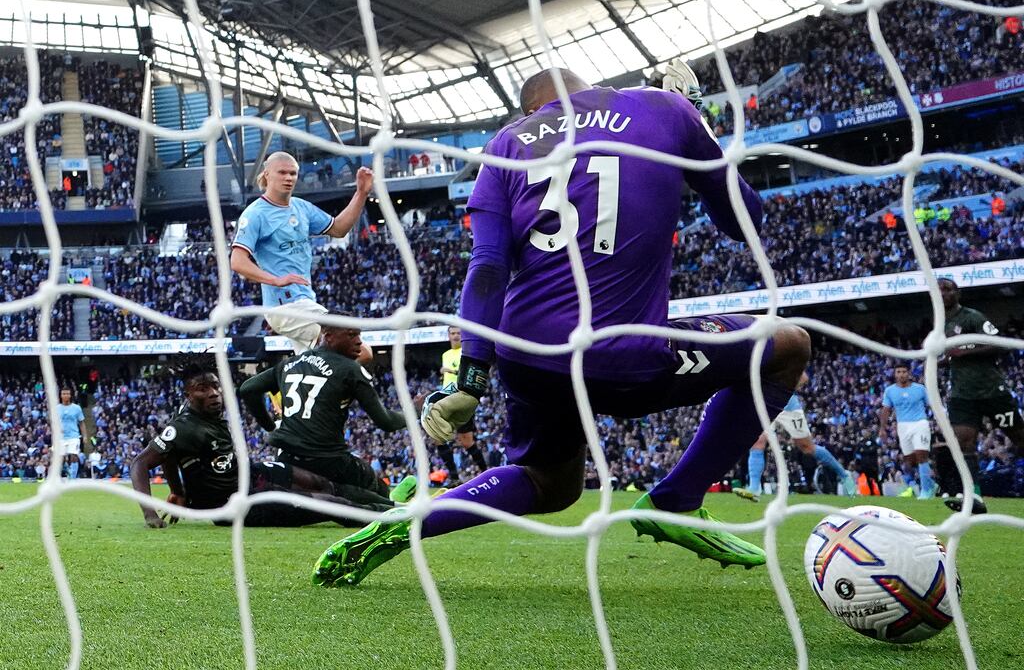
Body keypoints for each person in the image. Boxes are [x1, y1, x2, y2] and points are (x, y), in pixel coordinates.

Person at [313, 66, 811, 587]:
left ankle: (409, 521)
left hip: (527, 358)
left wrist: (471, 382)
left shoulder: (506, 143)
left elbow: (486, 267)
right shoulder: (664, 110)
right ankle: (677, 499)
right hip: (626, 356)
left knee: (550, 484)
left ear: (533, 111)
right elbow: (745, 223)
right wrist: (696, 123)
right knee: (788, 345)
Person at [129, 354, 410, 529]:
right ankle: (395, 518)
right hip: (236, 504)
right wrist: (150, 514)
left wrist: (177, 490)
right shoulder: (184, 426)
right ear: (189, 395)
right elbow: (141, 462)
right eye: (203, 389)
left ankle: (395, 508)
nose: (214, 393)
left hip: (249, 474)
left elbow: (170, 458)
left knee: (324, 484)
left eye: (215, 385)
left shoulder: (205, 417)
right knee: (326, 502)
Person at [238, 323, 408, 509]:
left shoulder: (290, 363)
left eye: (359, 335)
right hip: (328, 458)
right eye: (351, 335)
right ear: (328, 336)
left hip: (287, 457)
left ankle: (391, 503)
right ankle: (396, 507)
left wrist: (269, 426)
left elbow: (248, 389)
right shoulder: (349, 369)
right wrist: (416, 410)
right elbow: (387, 422)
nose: (359, 341)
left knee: (332, 492)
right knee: (371, 485)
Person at [229, 151, 374, 357]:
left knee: (315, 371)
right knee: (361, 352)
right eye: (282, 173)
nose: (288, 178)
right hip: (285, 307)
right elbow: (237, 261)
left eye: (293, 173)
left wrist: (361, 193)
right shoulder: (255, 214)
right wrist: (275, 280)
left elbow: (339, 229)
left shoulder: (301, 207)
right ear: (267, 174)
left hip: (306, 301)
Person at [936, 278, 1024, 514]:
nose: (942, 293)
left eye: (947, 289)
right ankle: (974, 495)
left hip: (991, 391)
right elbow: (952, 356)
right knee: (963, 441)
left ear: (958, 293)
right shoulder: (940, 325)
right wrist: (943, 361)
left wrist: (964, 353)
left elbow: (999, 344)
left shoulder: (972, 317)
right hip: (962, 395)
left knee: (1019, 437)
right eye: (938, 290)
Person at [734, 373, 856, 502]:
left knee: (807, 447)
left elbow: (803, 377)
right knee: (758, 441)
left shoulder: (781, 356)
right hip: (767, 404)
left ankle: (844, 475)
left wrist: (784, 388)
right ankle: (754, 489)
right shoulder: (757, 358)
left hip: (787, 405)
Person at [434, 326, 488, 481]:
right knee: (437, 436)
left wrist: (448, 370)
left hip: (462, 398)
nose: (456, 336)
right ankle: (454, 477)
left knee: (467, 442)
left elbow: (467, 373)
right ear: (448, 336)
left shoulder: (466, 353)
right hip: (446, 398)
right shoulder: (446, 354)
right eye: (453, 333)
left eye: (458, 333)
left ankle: (485, 472)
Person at [878, 362, 935, 499]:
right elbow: (886, 410)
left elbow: (932, 405)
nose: (901, 374)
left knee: (922, 455)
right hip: (903, 426)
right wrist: (882, 429)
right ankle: (929, 484)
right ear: (895, 374)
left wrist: (939, 421)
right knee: (909, 461)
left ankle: (926, 491)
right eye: (899, 372)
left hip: (920, 423)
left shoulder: (920, 389)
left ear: (909, 373)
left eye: (904, 371)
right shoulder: (890, 391)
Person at [57, 388, 87, 479]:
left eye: (67, 393)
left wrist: (85, 435)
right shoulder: (57, 408)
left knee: (74, 456)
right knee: (61, 458)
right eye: (64, 393)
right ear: (61, 395)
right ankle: (61, 475)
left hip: (74, 436)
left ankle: (73, 477)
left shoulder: (76, 408)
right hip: (61, 437)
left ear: (70, 395)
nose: (65, 395)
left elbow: (81, 423)